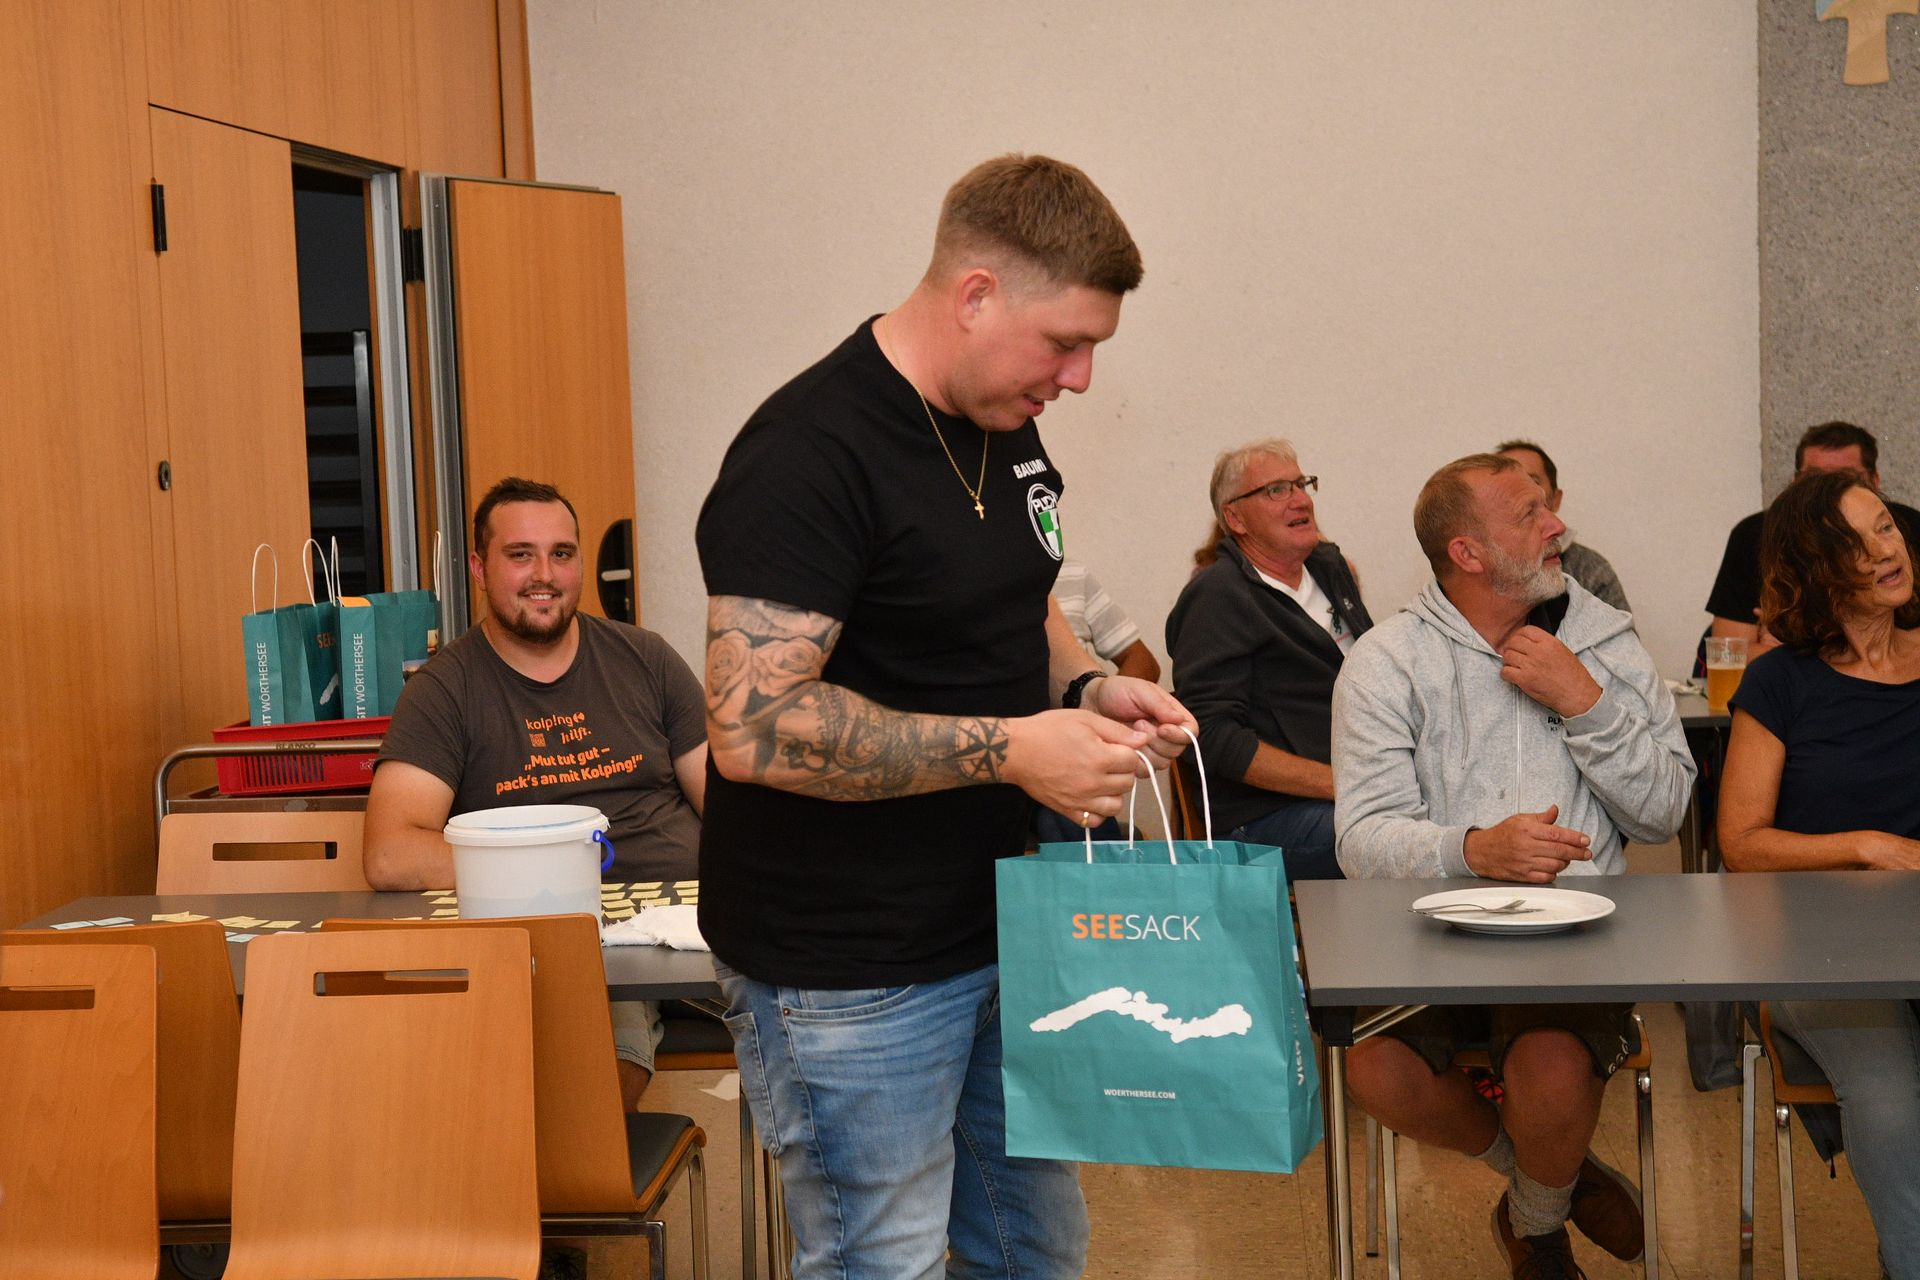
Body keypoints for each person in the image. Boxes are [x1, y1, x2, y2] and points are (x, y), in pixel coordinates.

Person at [694, 154, 1195, 1280]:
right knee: (887, 1260)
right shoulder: (805, 455)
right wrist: (1017, 749)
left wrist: (1085, 688)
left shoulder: (999, 416)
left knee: (1035, 1248)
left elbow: (1022, 594)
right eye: (1063, 343)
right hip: (850, 969)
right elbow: (754, 726)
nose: (1078, 379)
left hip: (998, 925)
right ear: (976, 295)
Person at [1331, 453, 1694, 1278]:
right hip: (1429, 935)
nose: (1558, 524)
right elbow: (1361, 840)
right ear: (1467, 553)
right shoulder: (1388, 661)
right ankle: (1551, 1181)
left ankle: (1534, 1228)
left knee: (1551, 1068)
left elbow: (1664, 812)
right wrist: (1472, 849)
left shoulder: (1606, 643)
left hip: (1580, 937)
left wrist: (1585, 703)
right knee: (1376, 1070)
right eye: (1530, 515)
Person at [365, 476, 708, 1111]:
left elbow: (735, 807)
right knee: (584, 1062)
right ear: (479, 568)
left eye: (562, 553)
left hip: (684, 925)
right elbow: (391, 854)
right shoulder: (445, 690)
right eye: (520, 554)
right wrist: (550, 872)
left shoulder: (647, 659)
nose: (544, 575)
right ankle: (563, 1173)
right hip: (555, 940)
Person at [1717, 469, 1920, 1278]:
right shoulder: (1781, 681)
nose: (1886, 550)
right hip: (1821, 946)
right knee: (1892, 1101)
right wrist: (1866, 845)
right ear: (1815, 568)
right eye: (1857, 542)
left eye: (1887, 528)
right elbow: (1741, 842)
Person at [1165, 439, 1371, 879]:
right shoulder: (1217, 596)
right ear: (1235, 518)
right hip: (1263, 819)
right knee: (1402, 839)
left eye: (1301, 484)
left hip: (1356, 790)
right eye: (1276, 490)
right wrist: (1344, 786)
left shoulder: (1328, 567)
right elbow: (1210, 736)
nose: (1300, 500)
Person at [1705, 420, 1920, 657]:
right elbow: (1726, 654)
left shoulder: (1911, 528)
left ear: (1874, 481)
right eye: (1815, 479)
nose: (1828, 493)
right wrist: (1793, 652)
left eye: (1845, 479)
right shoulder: (1756, 534)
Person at [1033, 557, 1159, 844]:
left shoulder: (1070, 574)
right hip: (990, 756)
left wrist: (1096, 713)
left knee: (1072, 800)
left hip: (1065, 756)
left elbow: (1142, 661)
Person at [1495, 439, 1630, 612]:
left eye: (1532, 481)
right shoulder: (1479, 559)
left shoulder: (1589, 568)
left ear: (1556, 499)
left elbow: (1621, 630)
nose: (1523, 494)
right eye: (1508, 485)